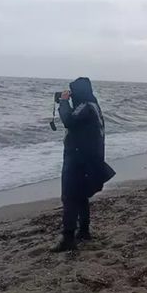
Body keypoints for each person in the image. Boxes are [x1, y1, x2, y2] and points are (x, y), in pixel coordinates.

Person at [51, 77, 106, 252]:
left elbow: (69, 120)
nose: (71, 94)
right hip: (87, 156)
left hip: (78, 157)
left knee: (69, 197)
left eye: (73, 91)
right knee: (81, 195)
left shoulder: (85, 107)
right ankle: (83, 231)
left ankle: (68, 238)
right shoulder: (93, 106)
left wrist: (63, 102)